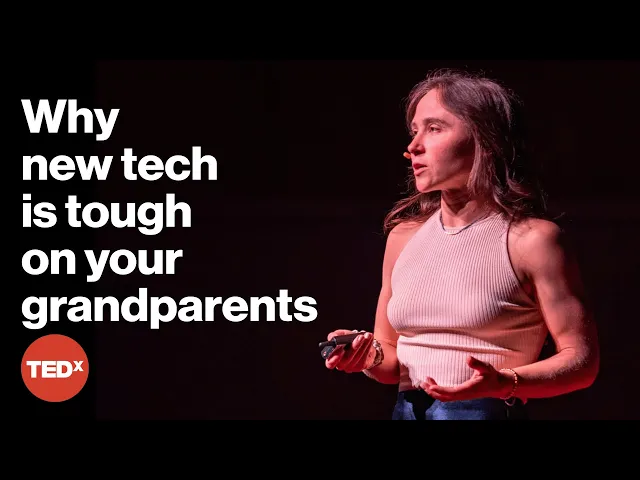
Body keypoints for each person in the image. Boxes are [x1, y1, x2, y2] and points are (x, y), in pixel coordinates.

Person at [324, 68, 600, 420]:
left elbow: (581, 361)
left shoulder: (532, 240)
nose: (413, 147)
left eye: (434, 128)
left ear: (484, 138)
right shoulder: (403, 237)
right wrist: (367, 355)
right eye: (414, 131)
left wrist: (503, 382)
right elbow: (391, 362)